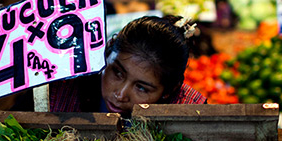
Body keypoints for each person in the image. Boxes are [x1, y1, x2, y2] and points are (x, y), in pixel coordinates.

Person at [49, 15, 207, 115]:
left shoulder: (190, 112)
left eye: (142, 88)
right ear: (108, 51)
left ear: (170, 90)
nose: (120, 95)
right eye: (117, 73)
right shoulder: (64, 89)